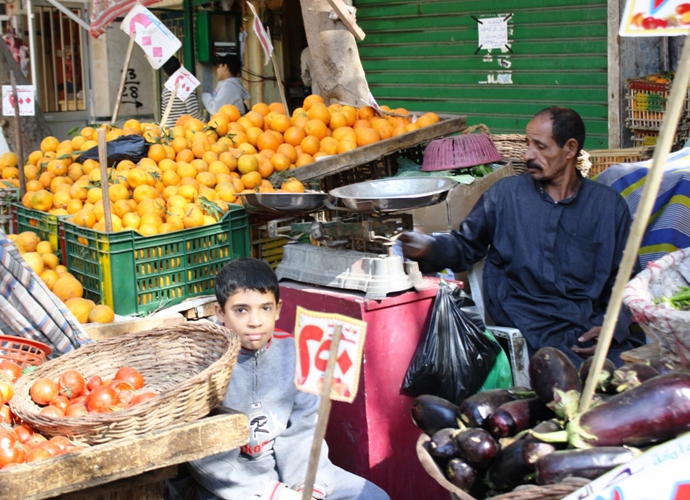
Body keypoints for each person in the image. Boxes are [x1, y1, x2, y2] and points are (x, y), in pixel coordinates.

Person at [400, 107, 644, 367]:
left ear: (570, 149)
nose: (529, 155)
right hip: (527, 325)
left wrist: (612, 326)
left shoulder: (607, 206)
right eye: (528, 144)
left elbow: (628, 280)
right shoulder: (505, 195)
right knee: (566, 380)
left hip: (588, 327)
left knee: (638, 375)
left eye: (540, 146)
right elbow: (465, 246)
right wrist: (428, 248)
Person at [170, 258, 390, 500]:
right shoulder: (202, 365)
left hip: (289, 469)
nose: (255, 321)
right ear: (220, 313)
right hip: (231, 483)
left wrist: (309, 489)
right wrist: (273, 494)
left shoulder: (296, 351)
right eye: (241, 310)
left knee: (372, 496)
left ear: (278, 309)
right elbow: (205, 456)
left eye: (265, 308)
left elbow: (303, 430)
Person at [161, 56, 204, 127]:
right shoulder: (186, 86)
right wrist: (206, 124)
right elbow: (193, 112)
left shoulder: (165, 90)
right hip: (183, 131)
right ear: (181, 66)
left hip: (169, 131)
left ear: (165, 73)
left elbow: (164, 114)